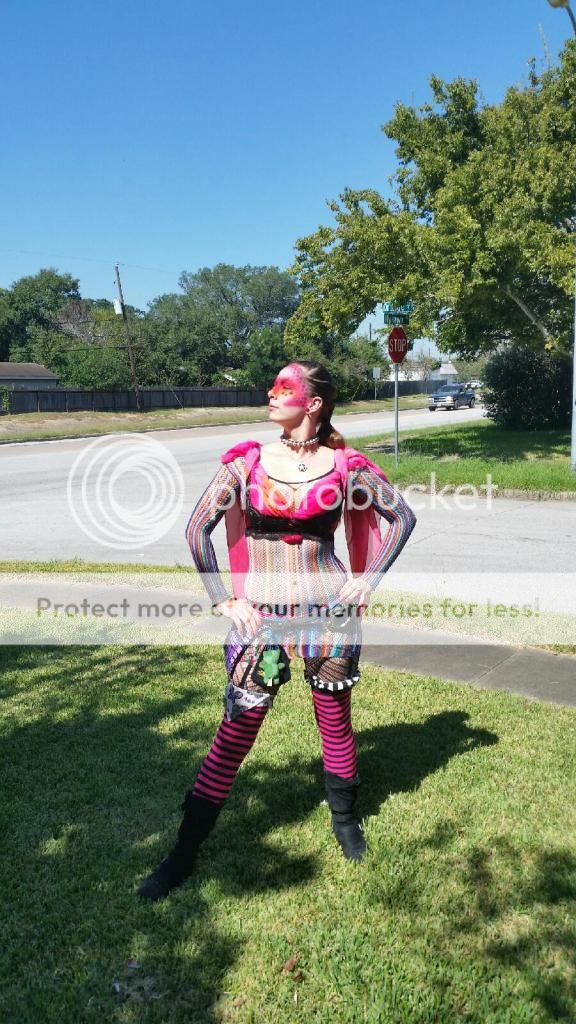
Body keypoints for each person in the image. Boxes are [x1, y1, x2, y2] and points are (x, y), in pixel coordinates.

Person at [138, 361, 416, 900]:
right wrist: (224, 599)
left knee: (334, 719)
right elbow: (196, 528)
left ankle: (345, 822)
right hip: (263, 624)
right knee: (240, 725)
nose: (271, 394)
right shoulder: (247, 464)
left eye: (284, 388)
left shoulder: (345, 466)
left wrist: (367, 579)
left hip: (328, 617)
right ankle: (184, 851)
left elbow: (402, 517)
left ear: (313, 404)